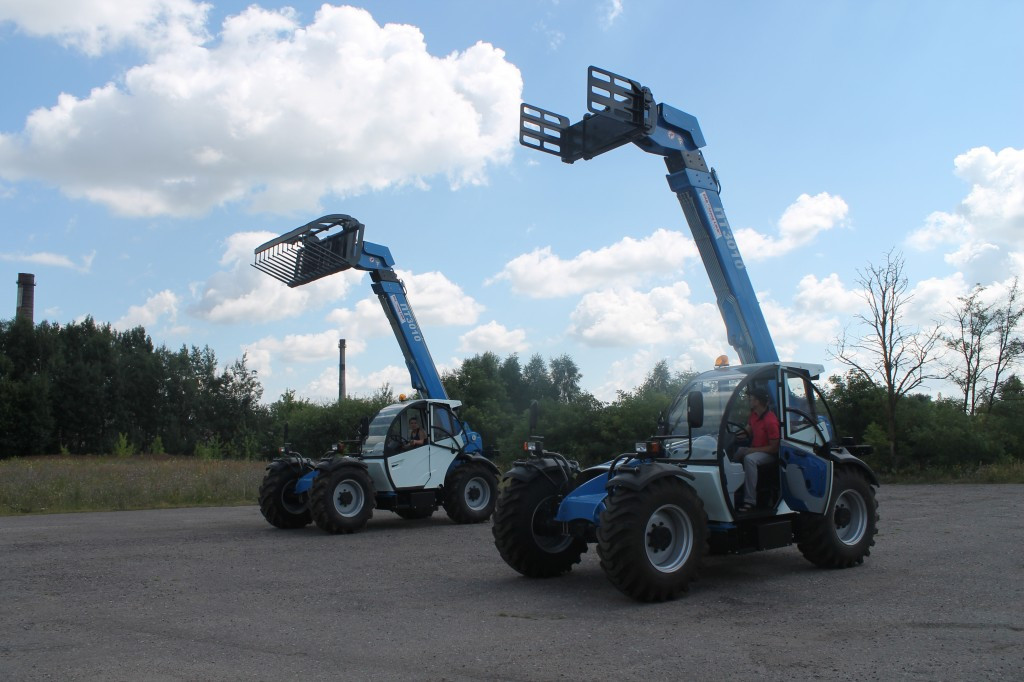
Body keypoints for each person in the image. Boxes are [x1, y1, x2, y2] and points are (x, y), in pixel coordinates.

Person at [734, 387, 780, 512]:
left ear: (757, 401)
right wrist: (728, 436)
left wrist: (752, 451)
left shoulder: (770, 421)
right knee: (735, 452)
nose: (749, 400)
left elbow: (774, 448)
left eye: (751, 398)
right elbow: (746, 432)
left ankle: (749, 501)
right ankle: (732, 490)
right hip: (755, 450)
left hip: (769, 454)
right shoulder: (754, 415)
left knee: (749, 459)